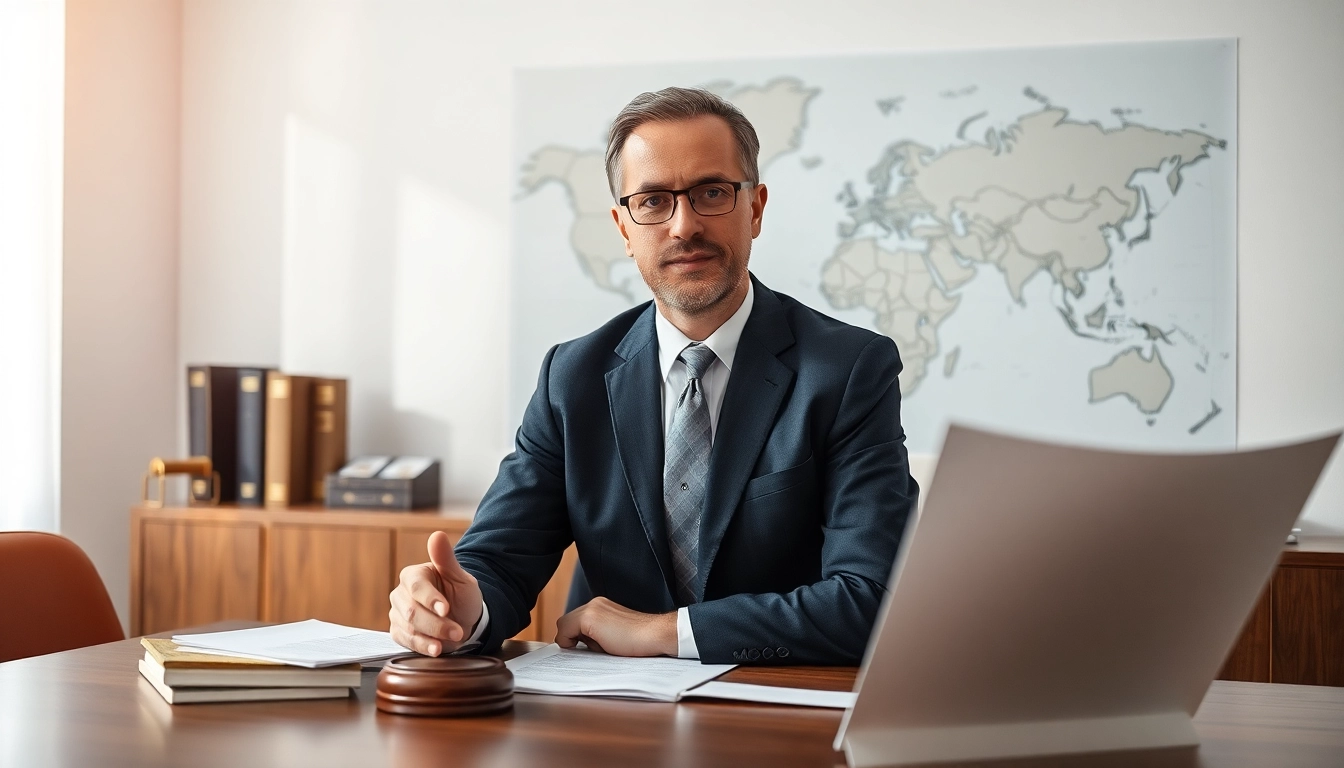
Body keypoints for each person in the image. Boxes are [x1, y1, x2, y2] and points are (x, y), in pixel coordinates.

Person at [389, 87, 917, 665]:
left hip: (776, 708)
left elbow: (871, 600)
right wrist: (464, 611)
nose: (683, 225)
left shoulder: (847, 371)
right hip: (610, 721)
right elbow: (500, 559)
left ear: (756, 208)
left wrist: (664, 632)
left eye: (712, 192)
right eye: (653, 201)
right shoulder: (573, 376)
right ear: (623, 225)